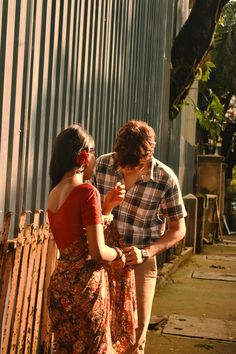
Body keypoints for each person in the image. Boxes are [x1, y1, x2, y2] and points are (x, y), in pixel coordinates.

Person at [95, 120, 187, 353]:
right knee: (99, 329)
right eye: (121, 163)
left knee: (135, 336)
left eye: (132, 167)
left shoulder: (166, 178)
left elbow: (179, 229)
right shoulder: (102, 165)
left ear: (148, 157)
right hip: (102, 259)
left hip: (140, 262)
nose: (124, 171)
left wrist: (146, 252)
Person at [47, 124, 136, 353]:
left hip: (60, 285)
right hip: (85, 289)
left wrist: (106, 208)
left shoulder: (54, 193)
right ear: (82, 157)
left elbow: (76, 234)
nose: (95, 159)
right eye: (93, 153)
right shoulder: (87, 192)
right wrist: (118, 254)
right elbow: (97, 252)